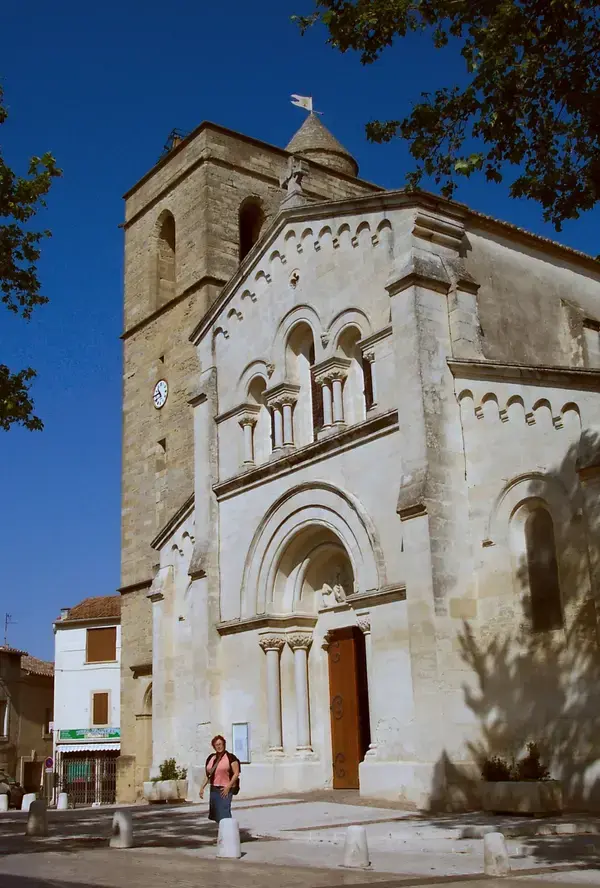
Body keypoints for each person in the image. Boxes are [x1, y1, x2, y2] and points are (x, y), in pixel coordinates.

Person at [199, 734, 240, 822]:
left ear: (224, 744)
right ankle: (222, 833)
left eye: (220, 744)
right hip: (214, 789)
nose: (219, 746)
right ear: (214, 746)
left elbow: (236, 773)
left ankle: (228, 833)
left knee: (225, 814)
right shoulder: (211, 757)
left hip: (225, 789)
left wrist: (228, 787)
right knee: (216, 814)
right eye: (216, 745)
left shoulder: (231, 757)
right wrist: (202, 787)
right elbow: (208, 774)